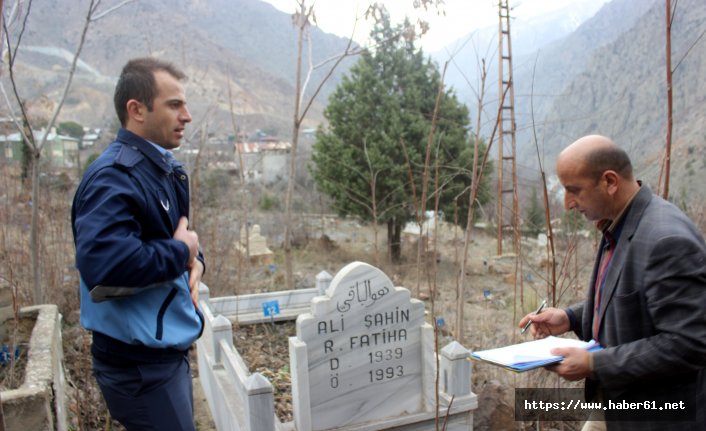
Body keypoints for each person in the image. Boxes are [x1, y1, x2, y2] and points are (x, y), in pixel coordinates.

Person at [519, 135, 706, 430]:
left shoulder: (666, 240)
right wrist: (569, 317)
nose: (568, 203)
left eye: (574, 190)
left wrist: (594, 363)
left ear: (609, 181)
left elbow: (688, 344)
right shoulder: (620, 224)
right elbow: (629, 299)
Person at [71, 57, 204, 431]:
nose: (187, 116)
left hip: (162, 355)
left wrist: (196, 259)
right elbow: (105, 266)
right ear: (137, 110)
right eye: (174, 104)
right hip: (139, 368)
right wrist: (181, 253)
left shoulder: (161, 169)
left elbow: (176, 236)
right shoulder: (114, 177)